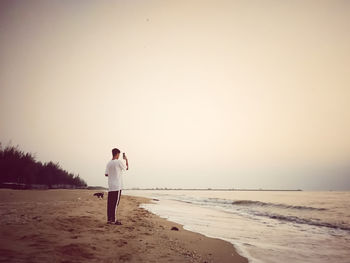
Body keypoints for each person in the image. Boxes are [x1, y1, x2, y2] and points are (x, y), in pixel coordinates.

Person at [105, 148, 129, 225]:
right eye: (119, 154)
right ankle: (114, 220)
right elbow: (126, 168)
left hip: (111, 186)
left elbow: (106, 174)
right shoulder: (118, 162)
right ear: (117, 154)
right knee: (115, 204)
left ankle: (109, 219)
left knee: (110, 203)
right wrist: (126, 160)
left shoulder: (109, 163)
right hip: (117, 186)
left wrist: (113, 173)